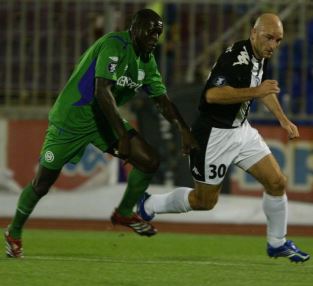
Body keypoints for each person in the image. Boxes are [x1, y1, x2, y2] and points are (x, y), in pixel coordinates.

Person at [4, 9, 197, 258]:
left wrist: (184, 128)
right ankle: (14, 231)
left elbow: (161, 100)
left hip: (103, 122)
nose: (154, 37)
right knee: (42, 183)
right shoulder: (114, 44)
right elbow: (102, 92)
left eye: (158, 33)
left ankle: (125, 212)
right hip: (71, 120)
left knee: (149, 161)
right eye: (150, 31)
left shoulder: (146, 61)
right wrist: (123, 135)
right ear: (134, 28)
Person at [137, 13, 310, 263]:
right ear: (253, 33)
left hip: (241, 130)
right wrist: (256, 91)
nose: (273, 45)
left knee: (277, 182)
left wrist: (283, 120)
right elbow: (212, 95)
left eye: (278, 40)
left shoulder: (259, 54)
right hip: (213, 136)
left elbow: (261, 88)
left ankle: (277, 242)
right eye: (269, 38)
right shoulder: (234, 59)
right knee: (204, 201)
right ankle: (151, 204)